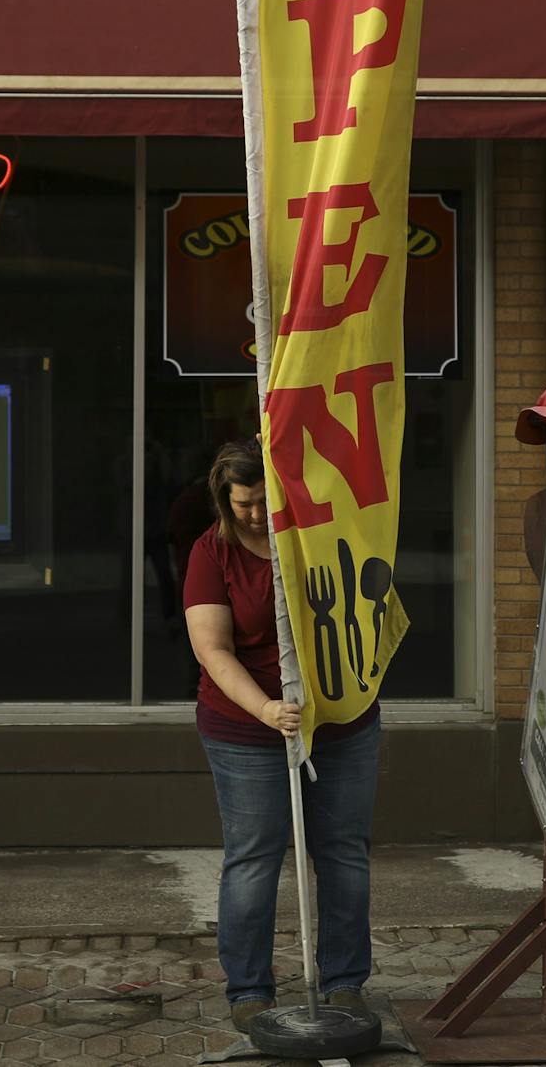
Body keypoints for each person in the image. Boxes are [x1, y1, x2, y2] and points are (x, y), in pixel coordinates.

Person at [183, 437, 380, 1034]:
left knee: (343, 852)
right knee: (254, 856)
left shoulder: (323, 535)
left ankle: (345, 983)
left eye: (264, 501)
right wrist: (266, 709)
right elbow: (213, 652)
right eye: (242, 503)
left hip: (341, 720)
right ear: (224, 500)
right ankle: (249, 990)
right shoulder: (211, 553)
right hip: (245, 727)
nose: (253, 514)